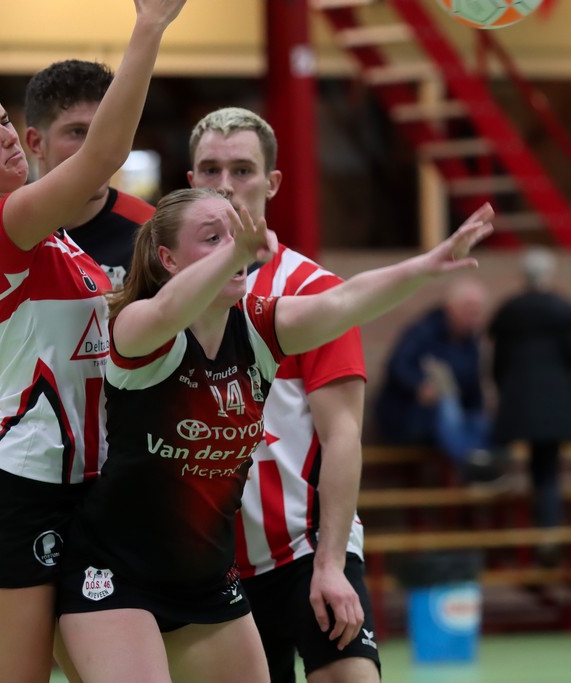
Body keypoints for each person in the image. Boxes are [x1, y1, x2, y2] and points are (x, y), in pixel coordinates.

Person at [56, 188, 493, 683]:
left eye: (234, 235)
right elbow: (168, 311)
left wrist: (426, 266)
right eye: (212, 238)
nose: (231, 248)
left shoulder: (260, 327)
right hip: (114, 574)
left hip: (205, 578)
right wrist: (236, 252)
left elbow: (346, 300)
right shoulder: (138, 327)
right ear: (168, 260)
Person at [0, 3, 185, 681]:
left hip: (93, 487)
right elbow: (104, 156)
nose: (7, 139)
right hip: (20, 488)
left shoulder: (50, 232)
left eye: (2, 121)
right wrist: (149, 27)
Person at [186, 107, 379, 683]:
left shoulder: (312, 291)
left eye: (242, 170)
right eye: (211, 170)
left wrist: (332, 564)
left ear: (271, 183)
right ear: (191, 180)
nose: (225, 185)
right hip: (209, 568)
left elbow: (342, 435)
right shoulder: (162, 302)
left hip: (305, 549)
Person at [488, 248, 571, 529]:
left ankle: (526, 530)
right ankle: (548, 530)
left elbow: (497, 365)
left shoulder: (509, 313)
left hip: (518, 403)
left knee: (524, 466)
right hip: (554, 404)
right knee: (548, 469)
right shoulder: (563, 312)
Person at [376, 277, 499, 482]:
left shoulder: (472, 344)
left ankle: (483, 466)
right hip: (408, 415)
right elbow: (397, 366)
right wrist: (419, 386)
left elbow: (473, 390)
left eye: (478, 311)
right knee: (447, 405)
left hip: (451, 419)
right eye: (468, 308)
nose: (473, 315)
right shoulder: (423, 331)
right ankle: (473, 471)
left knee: (481, 423)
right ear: (451, 307)